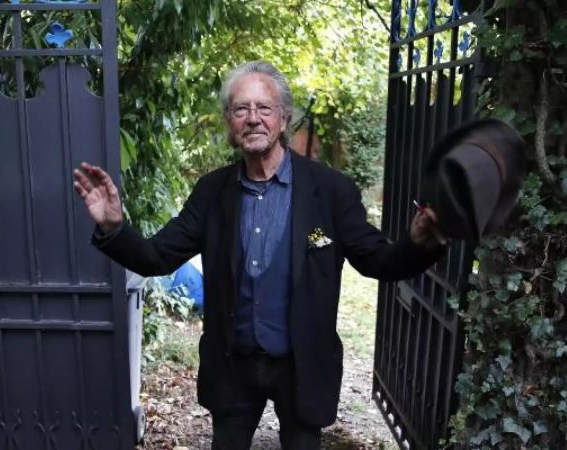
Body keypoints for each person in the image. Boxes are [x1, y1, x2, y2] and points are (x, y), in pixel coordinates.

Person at [72, 61, 445, 450]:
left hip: (301, 367)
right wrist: (114, 227)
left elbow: (376, 260)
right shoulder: (212, 192)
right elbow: (156, 257)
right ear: (229, 122)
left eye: (264, 108)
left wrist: (417, 244)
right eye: (240, 109)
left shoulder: (330, 191)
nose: (253, 119)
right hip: (233, 367)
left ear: (283, 119)